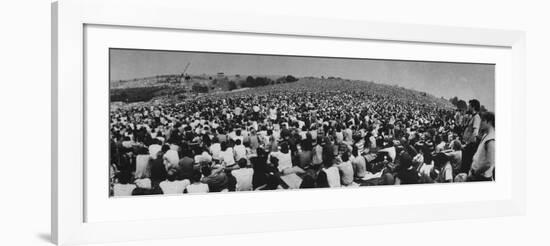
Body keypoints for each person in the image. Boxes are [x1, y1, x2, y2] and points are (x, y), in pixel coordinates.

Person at [469, 112, 495, 181]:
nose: (481, 123)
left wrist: (476, 172)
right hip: (477, 174)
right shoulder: (486, 135)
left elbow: (489, 163)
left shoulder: (491, 139)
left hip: (481, 176)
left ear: (489, 122)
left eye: (483, 120)